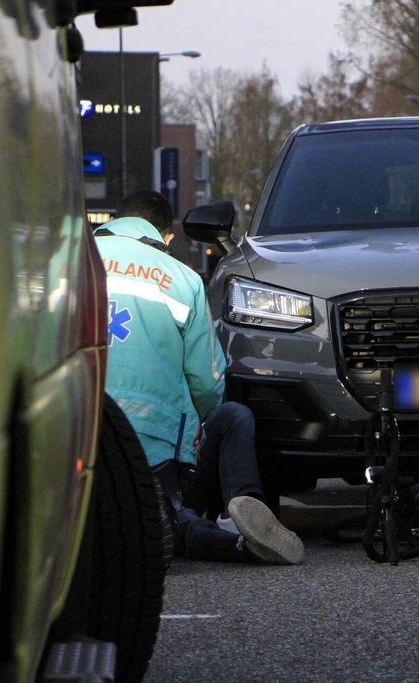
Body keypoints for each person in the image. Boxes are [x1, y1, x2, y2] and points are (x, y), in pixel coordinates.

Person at [94, 189, 303, 565]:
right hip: (159, 454)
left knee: (162, 522)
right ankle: (240, 522)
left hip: (82, 442)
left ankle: (216, 528)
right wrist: (197, 429)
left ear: (114, 222)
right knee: (232, 417)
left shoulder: (63, 265)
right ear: (166, 235)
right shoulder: (182, 279)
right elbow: (207, 383)